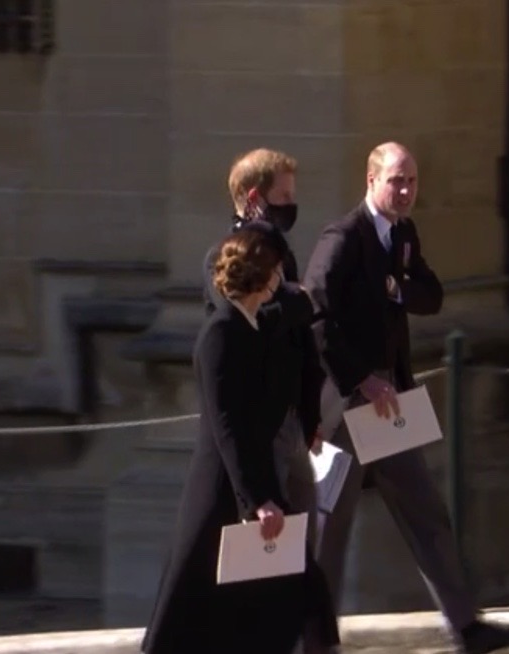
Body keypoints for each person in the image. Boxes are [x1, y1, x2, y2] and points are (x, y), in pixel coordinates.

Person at [303, 142, 509, 654]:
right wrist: (360, 378)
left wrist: (396, 288)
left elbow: (431, 296)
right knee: (330, 528)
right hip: (348, 402)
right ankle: (314, 642)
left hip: (391, 401)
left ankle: (466, 627)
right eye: (396, 181)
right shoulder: (343, 237)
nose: (406, 190)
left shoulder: (404, 235)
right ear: (370, 180)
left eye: (412, 181)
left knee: (426, 512)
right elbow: (314, 316)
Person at [142, 229, 339, 654]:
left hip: (256, 482)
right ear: (264, 276)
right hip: (222, 493)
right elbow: (227, 427)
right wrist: (258, 500)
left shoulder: (251, 327)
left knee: (298, 591)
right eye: (277, 271)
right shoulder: (221, 333)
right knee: (192, 612)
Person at [202, 148, 325, 547]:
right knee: (271, 540)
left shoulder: (280, 256)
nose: (291, 207)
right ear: (256, 198)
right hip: (262, 422)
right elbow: (253, 319)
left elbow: (300, 329)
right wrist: (293, 302)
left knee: (304, 532)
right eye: (284, 198)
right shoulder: (222, 258)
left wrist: (311, 411)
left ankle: (308, 609)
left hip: (291, 417)